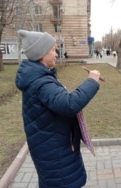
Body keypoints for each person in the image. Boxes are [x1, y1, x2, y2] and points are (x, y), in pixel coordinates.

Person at [15, 30, 101, 188]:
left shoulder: (38, 78)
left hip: (52, 145)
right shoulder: (42, 82)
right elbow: (68, 104)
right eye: (53, 50)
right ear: (41, 53)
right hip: (55, 151)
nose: (56, 54)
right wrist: (92, 81)